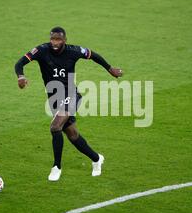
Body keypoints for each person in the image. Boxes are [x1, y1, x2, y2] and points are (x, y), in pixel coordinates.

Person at [15, 27, 123, 181]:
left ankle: (56, 167)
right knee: (72, 135)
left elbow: (94, 55)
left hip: (71, 95)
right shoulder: (41, 50)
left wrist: (110, 69)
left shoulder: (74, 51)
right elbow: (20, 63)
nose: (55, 42)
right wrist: (20, 76)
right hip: (54, 98)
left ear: (65, 40)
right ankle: (97, 159)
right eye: (52, 39)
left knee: (55, 127)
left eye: (58, 39)